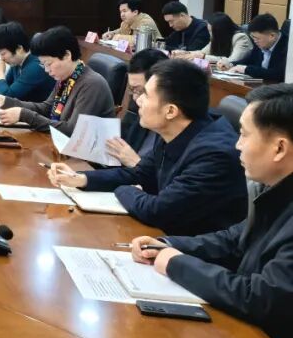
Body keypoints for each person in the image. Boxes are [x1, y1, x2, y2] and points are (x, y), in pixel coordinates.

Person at [129, 84, 293, 338]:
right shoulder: (273, 189)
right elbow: (235, 239)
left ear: (280, 148)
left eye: (244, 135)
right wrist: (167, 245)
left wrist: (176, 264)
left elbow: (261, 298)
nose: (237, 145)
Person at [49, 59, 246, 235]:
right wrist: (81, 179)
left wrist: (125, 190)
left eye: (146, 95)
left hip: (193, 250)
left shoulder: (214, 155)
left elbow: (158, 211)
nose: (138, 100)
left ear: (171, 111)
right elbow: (139, 173)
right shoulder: (174, 129)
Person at [0, 25, 114, 134]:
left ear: (67, 55)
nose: (46, 70)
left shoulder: (92, 84)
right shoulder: (67, 78)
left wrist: (24, 115)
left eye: (49, 64)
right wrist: (6, 101)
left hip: (86, 154)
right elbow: (47, 108)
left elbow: (72, 131)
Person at [106, 48, 168, 168]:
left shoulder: (175, 134)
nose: (136, 98)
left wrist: (136, 163)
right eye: (132, 90)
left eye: (140, 91)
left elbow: (160, 177)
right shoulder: (141, 112)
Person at [0, 22, 55, 103]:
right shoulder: (18, 62)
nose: (1, 59)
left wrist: (0, 74)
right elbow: (6, 83)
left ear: (19, 49)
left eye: (3, 53)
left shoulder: (35, 67)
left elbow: (6, 96)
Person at [221, 13, 288, 82]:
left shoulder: (288, 47)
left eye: (257, 38)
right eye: (253, 37)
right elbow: (250, 60)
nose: (255, 41)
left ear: (272, 36)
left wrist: (246, 69)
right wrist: (231, 64)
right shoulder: (260, 42)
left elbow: (278, 74)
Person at [172, 12, 252, 66]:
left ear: (219, 30)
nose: (210, 34)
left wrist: (203, 57)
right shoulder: (217, 38)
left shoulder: (240, 38)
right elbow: (202, 52)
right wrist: (184, 53)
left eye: (211, 31)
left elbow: (233, 60)